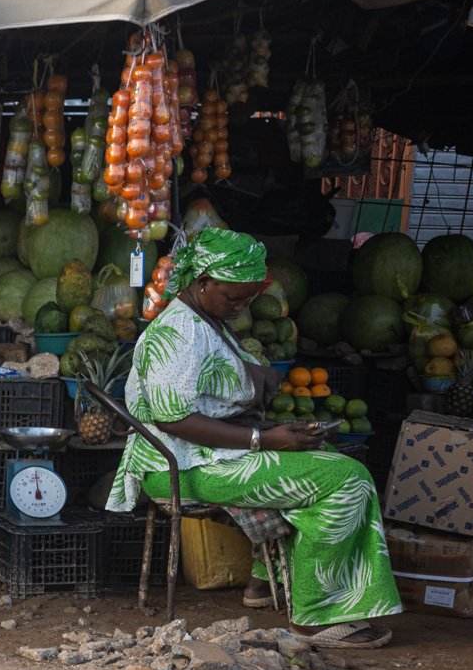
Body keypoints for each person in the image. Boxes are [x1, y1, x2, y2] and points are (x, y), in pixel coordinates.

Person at [105, 228, 400, 648]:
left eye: (247, 298)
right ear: (202, 282)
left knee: (327, 459)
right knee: (345, 480)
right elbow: (174, 420)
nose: (240, 306)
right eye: (233, 297)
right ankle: (319, 618)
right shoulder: (178, 332)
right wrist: (265, 438)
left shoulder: (208, 320)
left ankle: (264, 583)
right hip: (183, 465)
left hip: (211, 455)